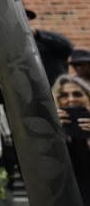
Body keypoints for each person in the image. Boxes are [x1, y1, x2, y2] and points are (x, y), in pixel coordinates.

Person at [52, 73, 90, 205]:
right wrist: (54, 133)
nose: (71, 100)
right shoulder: (51, 129)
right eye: (64, 96)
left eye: (77, 94)